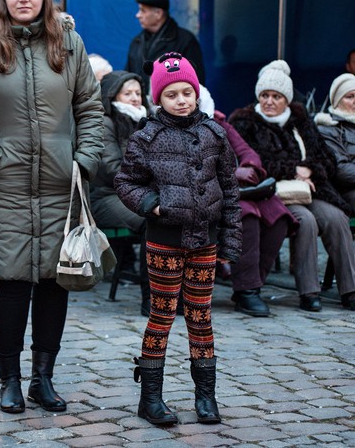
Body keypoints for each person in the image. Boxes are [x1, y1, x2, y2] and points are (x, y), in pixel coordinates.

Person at [0, 0, 104, 414]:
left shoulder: (69, 42)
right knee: (12, 282)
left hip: (62, 181)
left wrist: (84, 159)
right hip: (6, 180)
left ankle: (43, 377)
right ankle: (9, 379)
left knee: (53, 281)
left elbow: (90, 105)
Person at [115, 52, 241, 426]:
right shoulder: (147, 137)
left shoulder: (215, 134)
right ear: (159, 98)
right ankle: (150, 398)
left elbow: (231, 191)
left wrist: (230, 242)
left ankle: (206, 396)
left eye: (188, 91)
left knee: (201, 316)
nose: (182, 100)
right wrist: (151, 204)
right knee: (163, 314)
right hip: (164, 241)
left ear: (197, 92)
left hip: (204, 240)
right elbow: (125, 182)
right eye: (172, 94)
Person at [229, 61, 355, 312]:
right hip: (272, 193)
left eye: (276, 96)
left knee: (336, 217)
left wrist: (309, 168)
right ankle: (309, 292)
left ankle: (350, 290)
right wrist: (293, 170)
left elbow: (326, 158)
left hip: (310, 189)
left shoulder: (300, 119)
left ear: (286, 99)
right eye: (264, 95)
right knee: (306, 222)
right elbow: (255, 162)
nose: (269, 101)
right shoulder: (245, 122)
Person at [199, 86, 297, 317]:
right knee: (246, 215)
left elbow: (247, 151)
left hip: (239, 191)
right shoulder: (181, 129)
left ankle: (253, 282)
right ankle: (247, 291)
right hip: (207, 195)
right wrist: (233, 175)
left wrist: (249, 167)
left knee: (279, 216)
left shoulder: (220, 123)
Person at [90, 70, 150, 316]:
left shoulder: (149, 119)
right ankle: (152, 298)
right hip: (108, 197)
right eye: (128, 93)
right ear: (113, 95)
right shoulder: (105, 122)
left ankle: (179, 292)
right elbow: (113, 169)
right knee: (153, 220)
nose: (135, 98)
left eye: (138, 93)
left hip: (144, 192)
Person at [125, 0, 205, 86]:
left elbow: (196, 80)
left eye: (143, 11)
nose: (138, 15)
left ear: (158, 13)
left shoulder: (185, 40)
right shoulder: (137, 42)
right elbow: (128, 76)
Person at [316, 73, 355, 209]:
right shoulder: (327, 128)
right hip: (345, 193)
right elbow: (342, 170)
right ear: (337, 102)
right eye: (350, 97)